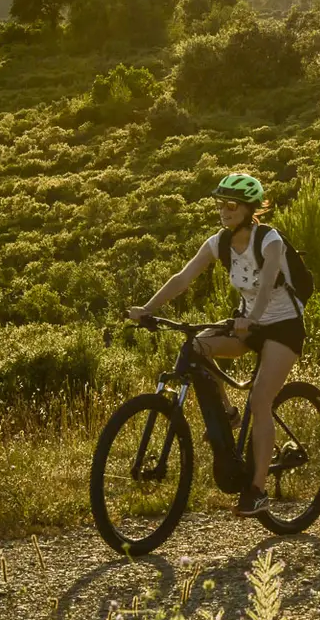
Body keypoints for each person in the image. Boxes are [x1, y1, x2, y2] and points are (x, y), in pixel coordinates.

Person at [127, 172, 305, 517]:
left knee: (261, 398)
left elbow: (268, 283)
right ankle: (228, 415)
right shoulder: (218, 243)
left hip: (283, 326)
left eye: (231, 204)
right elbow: (182, 278)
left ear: (248, 208)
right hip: (246, 324)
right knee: (195, 348)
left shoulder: (269, 241)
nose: (223, 210)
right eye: (220, 204)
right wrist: (148, 309)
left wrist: (252, 317)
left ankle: (257, 489)